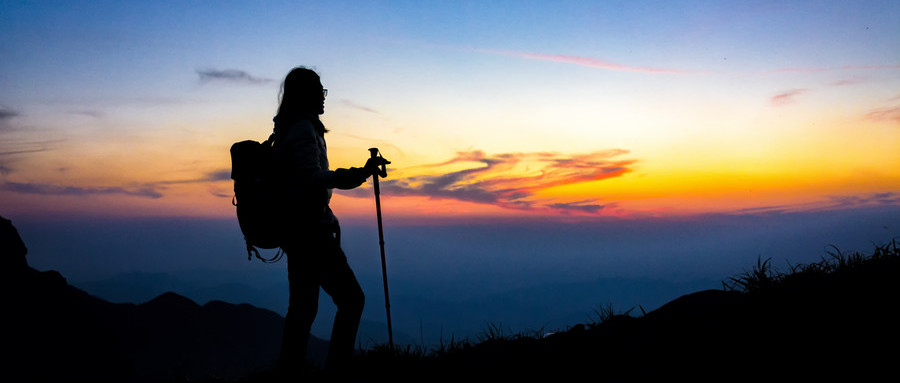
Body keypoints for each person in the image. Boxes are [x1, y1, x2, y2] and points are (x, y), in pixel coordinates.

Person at [273, 67, 388, 378]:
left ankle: (289, 373)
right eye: (320, 92)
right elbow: (313, 178)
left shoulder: (293, 127)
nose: (324, 98)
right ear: (306, 95)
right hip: (310, 231)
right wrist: (359, 174)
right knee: (352, 300)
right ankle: (337, 372)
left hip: (297, 230)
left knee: (303, 309)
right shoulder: (302, 130)